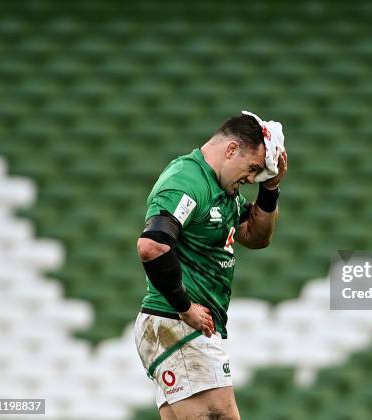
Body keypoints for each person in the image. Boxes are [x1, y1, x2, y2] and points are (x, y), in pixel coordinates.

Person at [133, 112, 287, 420]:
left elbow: (256, 237)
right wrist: (184, 306)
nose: (250, 178)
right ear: (231, 150)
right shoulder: (188, 180)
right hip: (179, 324)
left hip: (175, 326)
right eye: (253, 168)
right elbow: (151, 245)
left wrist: (269, 189)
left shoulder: (223, 191)